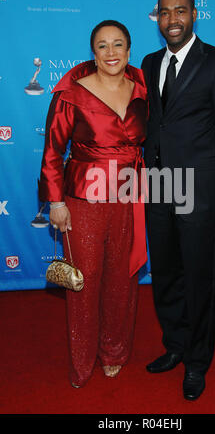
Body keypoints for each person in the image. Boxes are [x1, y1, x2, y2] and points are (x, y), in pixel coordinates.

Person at [141, 0, 215, 400]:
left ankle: (197, 362)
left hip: (199, 190)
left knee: (200, 277)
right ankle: (176, 346)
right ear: (158, 18)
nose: (172, 20)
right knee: (166, 274)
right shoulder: (150, 63)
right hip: (160, 187)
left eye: (179, 11)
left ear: (194, 14)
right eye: (164, 13)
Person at [39, 20, 148, 388]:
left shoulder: (143, 88)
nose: (112, 52)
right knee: (84, 285)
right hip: (83, 200)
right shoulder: (72, 92)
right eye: (103, 46)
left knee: (122, 280)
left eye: (119, 44)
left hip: (129, 196)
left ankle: (113, 352)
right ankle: (83, 362)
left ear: (129, 51)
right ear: (93, 52)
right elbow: (53, 151)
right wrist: (55, 201)